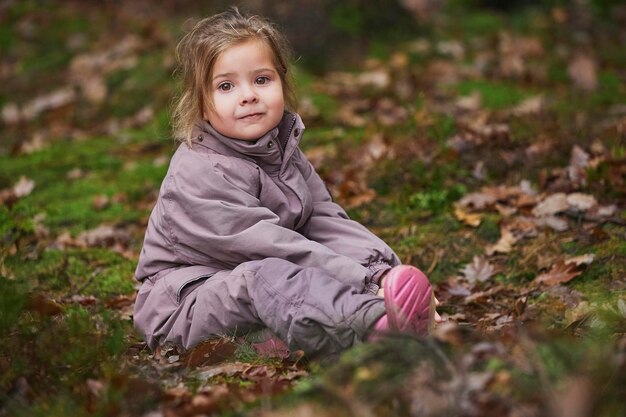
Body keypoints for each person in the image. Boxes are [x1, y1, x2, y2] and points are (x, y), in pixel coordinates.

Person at [133, 7, 440, 360]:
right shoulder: (198, 172)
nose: (248, 95)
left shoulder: (280, 152)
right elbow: (272, 247)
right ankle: (378, 325)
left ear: (283, 82)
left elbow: (323, 219)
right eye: (226, 86)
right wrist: (366, 286)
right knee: (267, 276)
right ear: (200, 104)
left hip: (259, 291)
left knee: (283, 293)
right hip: (185, 305)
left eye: (261, 80)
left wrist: (383, 272)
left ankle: (288, 342)